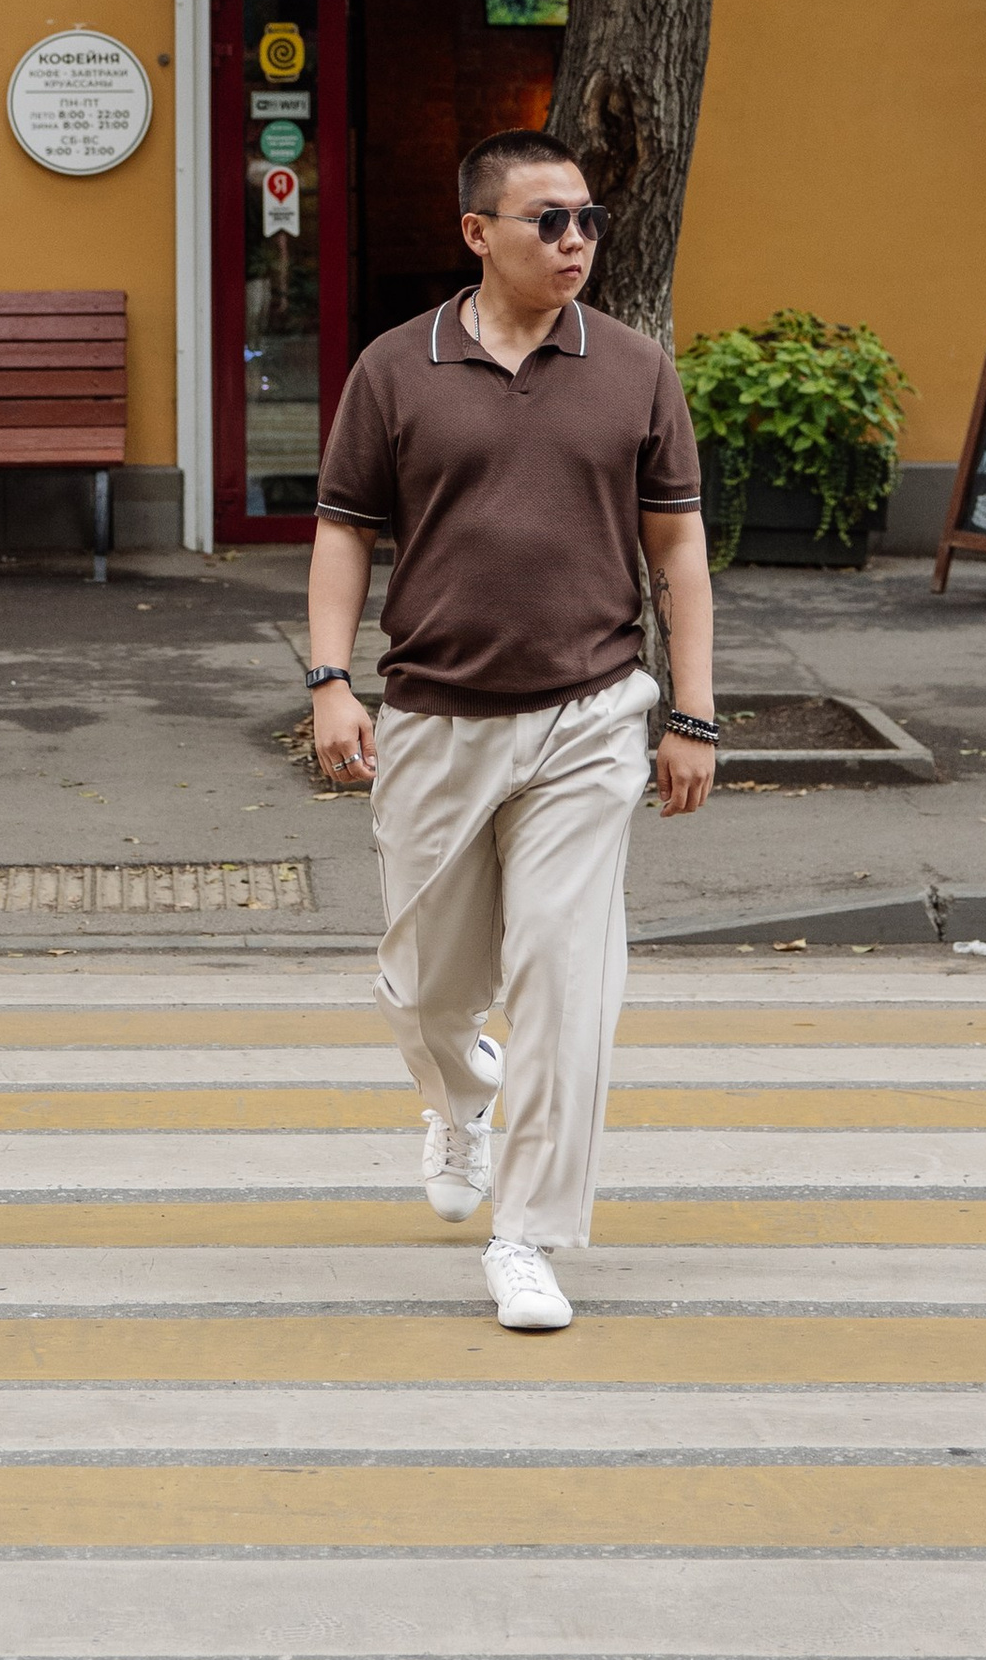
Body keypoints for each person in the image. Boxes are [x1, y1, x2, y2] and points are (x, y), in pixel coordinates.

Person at [304, 126, 718, 1331]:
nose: (576, 239)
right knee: (425, 986)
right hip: (433, 716)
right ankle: (456, 1097)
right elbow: (342, 531)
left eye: (587, 218)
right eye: (549, 220)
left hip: (590, 718)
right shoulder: (395, 367)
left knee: (565, 982)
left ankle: (530, 1235)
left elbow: (677, 550)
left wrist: (690, 709)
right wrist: (331, 679)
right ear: (479, 232)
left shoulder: (635, 366)